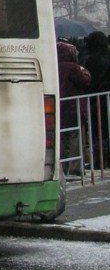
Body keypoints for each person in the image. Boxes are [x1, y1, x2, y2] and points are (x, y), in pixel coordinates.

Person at [58, 40, 91, 176]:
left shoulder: (54, 66)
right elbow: (84, 82)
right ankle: (75, 167)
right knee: (75, 136)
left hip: (59, 106)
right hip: (73, 107)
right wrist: (85, 72)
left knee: (61, 137)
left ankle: (62, 166)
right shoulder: (73, 68)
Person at [83, 30, 110, 169]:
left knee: (98, 132)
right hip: (106, 99)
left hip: (96, 101)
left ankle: (100, 160)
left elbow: (88, 81)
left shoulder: (91, 59)